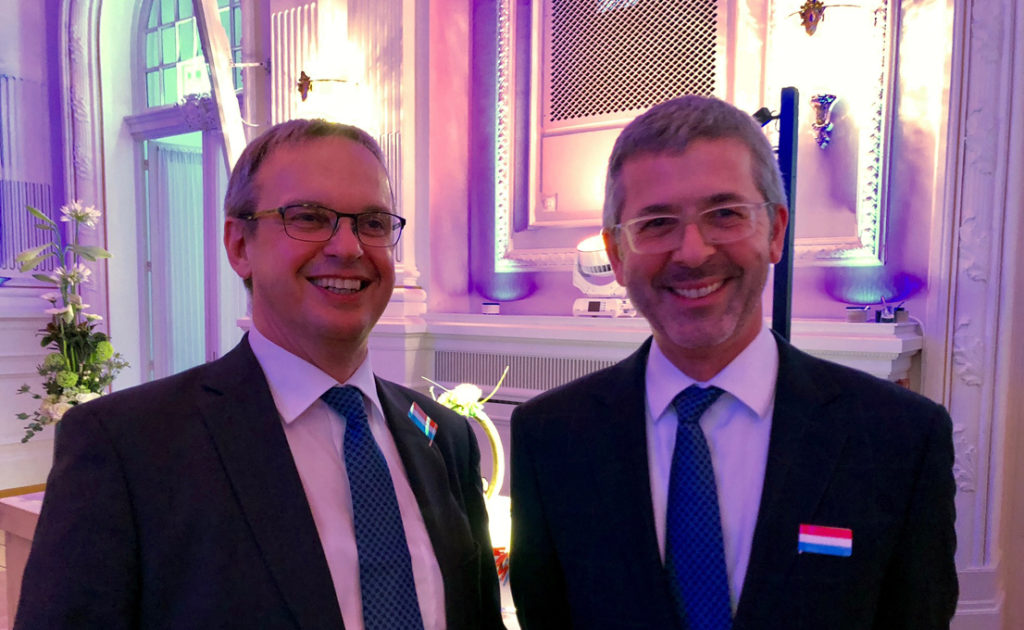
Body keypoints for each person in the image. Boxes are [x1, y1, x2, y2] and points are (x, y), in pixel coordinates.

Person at [16, 120, 504, 630]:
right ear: (239, 246)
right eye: (309, 217)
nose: (349, 247)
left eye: (374, 223)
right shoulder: (127, 447)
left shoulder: (445, 437)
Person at [509, 95, 957, 629]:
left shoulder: (899, 438)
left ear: (775, 231)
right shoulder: (550, 437)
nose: (692, 252)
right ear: (617, 254)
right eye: (656, 223)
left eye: (724, 214)